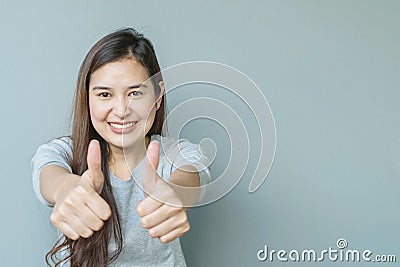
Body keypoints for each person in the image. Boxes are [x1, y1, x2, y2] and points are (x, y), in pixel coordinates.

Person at [31, 28, 210, 267]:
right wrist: (67, 189)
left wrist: (175, 195)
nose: (121, 110)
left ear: (158, 96)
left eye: (135, 93)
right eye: (105, 94)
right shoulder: (63, 152)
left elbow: (192, 176)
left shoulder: (176, 154)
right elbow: (49, 174)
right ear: (88, 99)